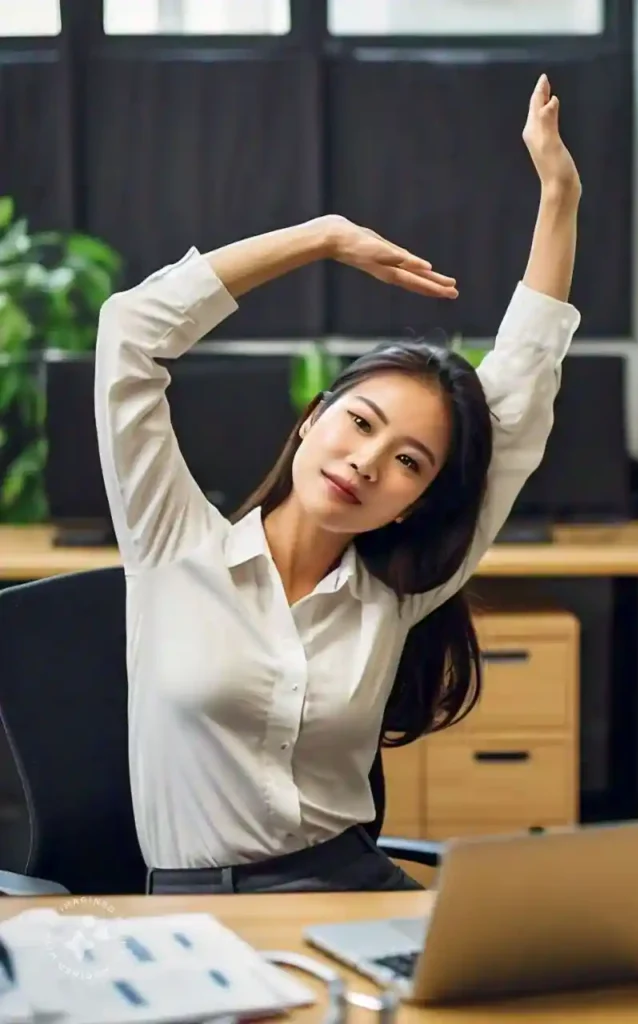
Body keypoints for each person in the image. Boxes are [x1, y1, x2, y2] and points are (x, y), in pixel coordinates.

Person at [94, 74, 581, 894]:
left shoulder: (397, 593)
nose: (368, 463)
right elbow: (130, 334)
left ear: (419, 500)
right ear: (312, 418)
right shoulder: (172, 541)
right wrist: (320, 238)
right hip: (197, 910)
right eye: (360, 423)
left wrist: (559, 196)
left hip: (355, 889)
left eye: (409, 462)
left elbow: (522, 393)